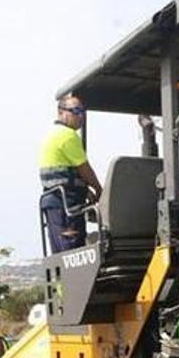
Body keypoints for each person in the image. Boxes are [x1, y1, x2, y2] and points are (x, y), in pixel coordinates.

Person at [39, 94, 103, 252]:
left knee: (61, 254)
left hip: (55, 202)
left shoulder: (54, 134)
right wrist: (99, 190)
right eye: (76, 111)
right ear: (61, 112)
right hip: (66, 204)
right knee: (72, 251)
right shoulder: (68, 135)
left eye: (82, 111)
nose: (80, 116)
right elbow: (84, 169)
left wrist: (85, 190)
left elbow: (67, 174)